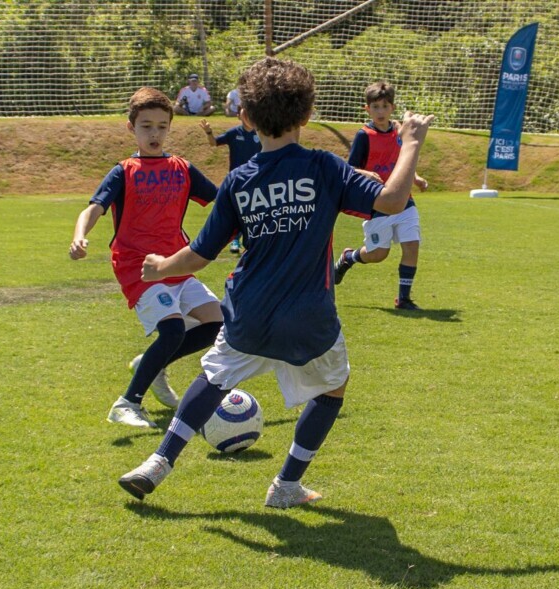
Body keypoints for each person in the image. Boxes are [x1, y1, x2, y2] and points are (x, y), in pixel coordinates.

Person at [118, 58, 433, 508]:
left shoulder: (239, 181)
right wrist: (411, 142)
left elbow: (202, 254)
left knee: (214, 376)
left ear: (246, 118)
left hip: (250, 310)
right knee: (332, 388)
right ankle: (286, 485)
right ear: (306, 115)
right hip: (309, 315)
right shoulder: (324, 167)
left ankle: (158, 463)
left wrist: (162, 267)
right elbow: (392, 199)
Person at [69, 86, 224, 428]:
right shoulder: (124, 170)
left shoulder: (182, 168)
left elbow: (222, 202)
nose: (154, 134)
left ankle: (149, 364)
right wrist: (80, 237)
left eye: (161, 126)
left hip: (178, 262)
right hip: (137, 265)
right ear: (131, 128)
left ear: (170, 126)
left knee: (217, 324)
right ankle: (127, 403)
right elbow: (94, 208)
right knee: (171, 331)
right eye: (146, 126)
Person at [333, 80, 429, 311]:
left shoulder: (399, 132)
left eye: (385, 106)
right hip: (377, 201)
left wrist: (414, 178)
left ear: (392, 108)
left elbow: (401, 161)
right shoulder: (364, 135)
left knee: (412, 245)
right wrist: (368, 174)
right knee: (378, 254)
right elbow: (350, 168)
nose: (380, 111)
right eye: (375, 107)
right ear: (367, 109)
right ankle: (349, 258)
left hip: (404, 200)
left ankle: (403, 299)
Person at [198, 116, 263, 253]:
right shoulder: (234, 133)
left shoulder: (261, 133)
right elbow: (214, 143)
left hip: (257, 179)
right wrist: (209, 132)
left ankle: (255, 240)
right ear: (241, 116)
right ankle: (235, 241)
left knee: (256, 211)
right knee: (237, 210)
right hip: (237, 181)